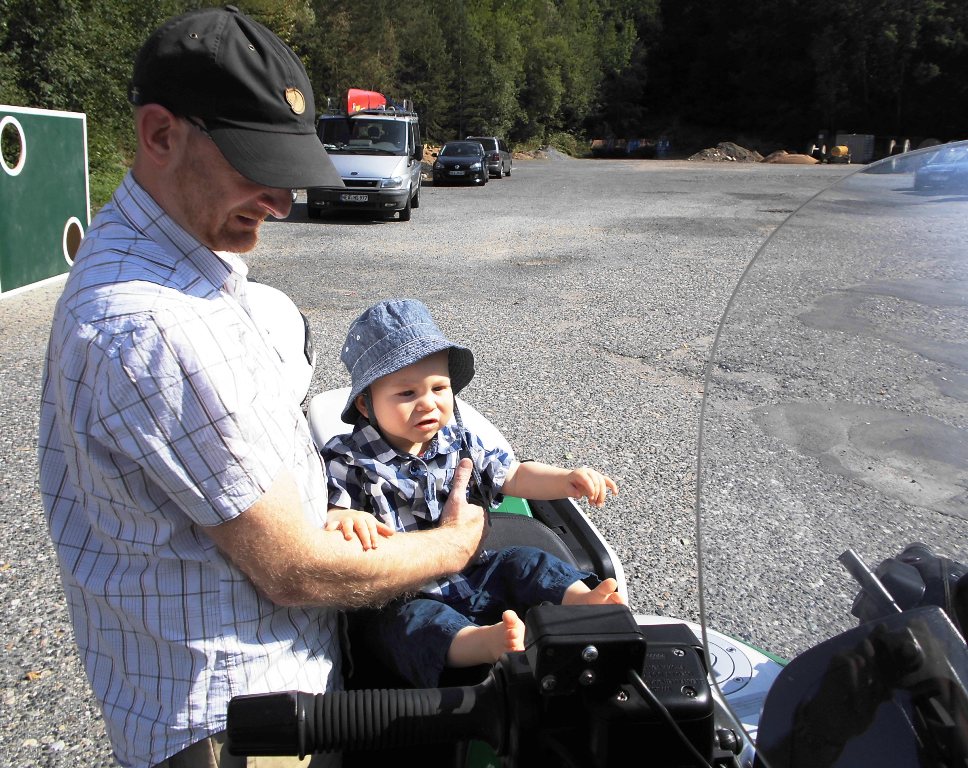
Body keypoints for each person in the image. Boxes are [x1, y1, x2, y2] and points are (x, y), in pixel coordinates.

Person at [37, 8, 487, 768]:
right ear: (159, 134)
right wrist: (448, 547)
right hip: (239, 732)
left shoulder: (189, 268)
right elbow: (293, 571)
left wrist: (325, 508)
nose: (282, 203)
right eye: (256, 165)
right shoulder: (153, 325)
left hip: (261, 703)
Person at [321, 299, 624, 688]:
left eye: (439, 387)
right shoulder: (349, 458)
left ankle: (583, 602)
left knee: (525, 562)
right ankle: (481, 643)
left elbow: (513, 474)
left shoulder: (457, 439)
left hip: (474, 571)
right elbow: (330, 511)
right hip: (403, 590)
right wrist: (345, 516)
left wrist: (565, 480)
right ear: (366, 404)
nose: (428, 402)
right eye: (406, 393)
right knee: (406, 627)